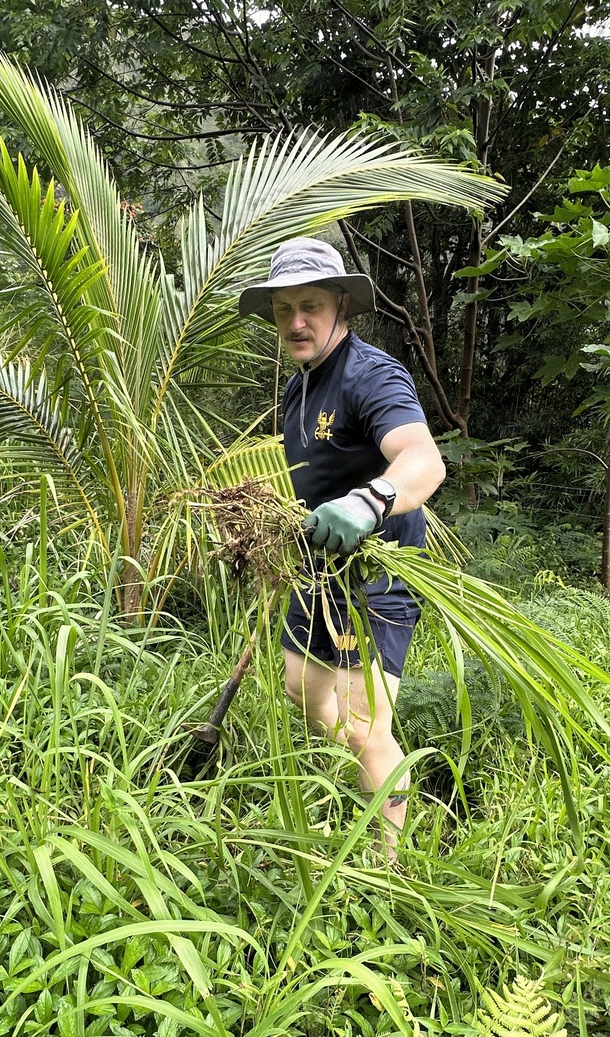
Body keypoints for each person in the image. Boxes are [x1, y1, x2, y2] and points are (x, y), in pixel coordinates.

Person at [239, 237, 446, 854]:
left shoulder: (371, 375)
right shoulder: (298, 385)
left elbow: (423, 458)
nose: (296, 322)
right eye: (284, 309)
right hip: (318, 566)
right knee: (302, 689)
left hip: (378, 571)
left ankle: (387, 863)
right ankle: (365, 773)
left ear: (341, 306)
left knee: (364, 724)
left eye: (311, 306)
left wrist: (369, 500)